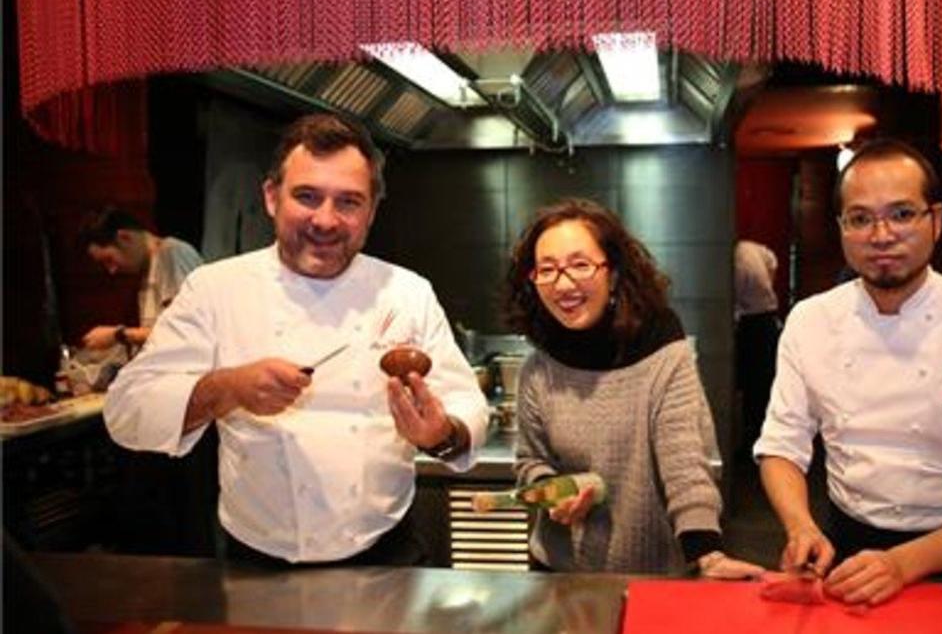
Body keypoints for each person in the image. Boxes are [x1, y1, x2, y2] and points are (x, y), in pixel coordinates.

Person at [104, 113, 490, 567]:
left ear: (371, 211)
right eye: (307, 197)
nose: (325, 220)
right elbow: (127, 409)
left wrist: (441, 434)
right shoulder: (214, 289)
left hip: (386, 551)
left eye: (348, 202)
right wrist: (228, 388)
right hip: (257, 558)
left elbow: (465, 403)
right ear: (271, 197)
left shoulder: (406, 291)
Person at [755, 139, 942, 605]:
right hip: (844, 553)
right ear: (841, 228)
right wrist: (801, 527)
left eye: (901, 214)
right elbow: (781, 446)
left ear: (935, 220)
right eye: (860, 219)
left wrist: (902, 564)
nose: (881, 235)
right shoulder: (811, 320)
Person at [504, 198, 763, 578]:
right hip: (558, 572)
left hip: (653, 573)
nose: (563, 283)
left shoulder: (663, 352)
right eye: (547, 269)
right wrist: (551, 488)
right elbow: (530, 460)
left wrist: (708, 554)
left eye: (580, 264)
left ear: (613, 274)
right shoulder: (538, 367)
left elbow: (685, 463)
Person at [79, 207, 204, 350]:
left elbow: (184, 331)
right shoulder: (149, 267)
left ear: (124, 238)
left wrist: (118, 335)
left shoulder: (172, 254)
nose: (112, 270)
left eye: (109, 259)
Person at [734, 239, 781, 459]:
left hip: (752, 323)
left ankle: (753, 442)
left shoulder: (736, 260)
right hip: (768, 318)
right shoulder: (751, 247)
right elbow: (772, 260)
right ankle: (761, 439)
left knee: (753, 385)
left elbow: (733, 297)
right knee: (763, 385)